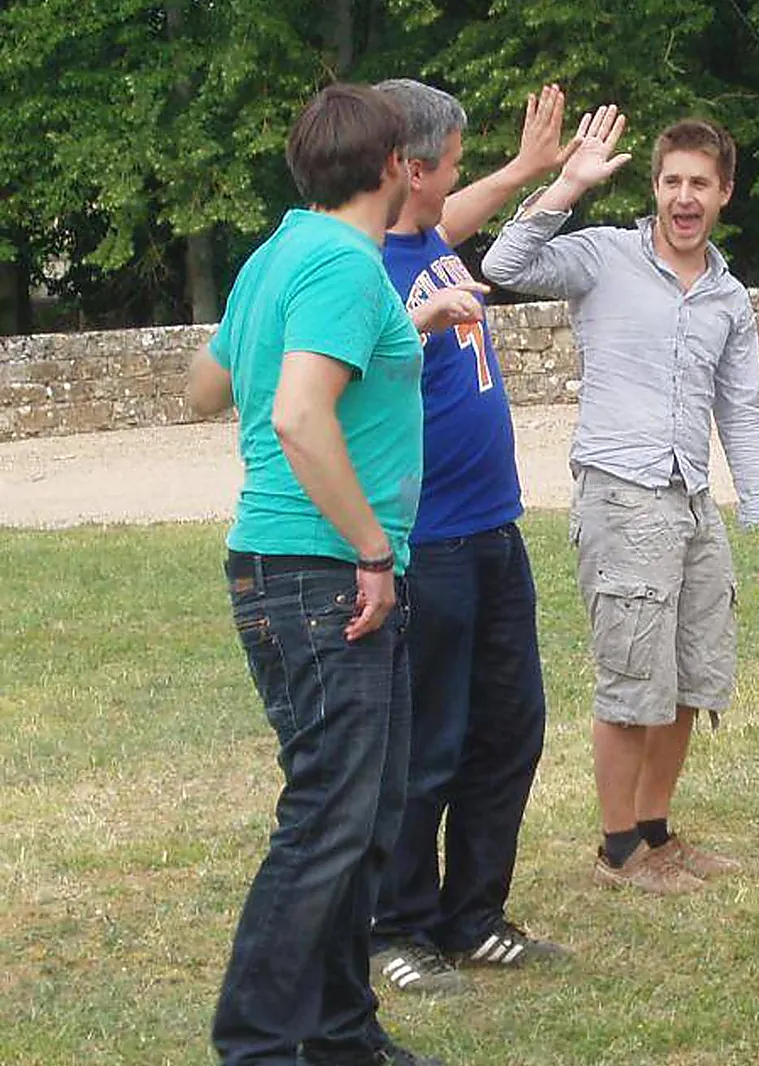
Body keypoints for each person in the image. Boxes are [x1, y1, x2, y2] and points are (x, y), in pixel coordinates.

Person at [185, 83, 464, 1066]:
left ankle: (343, 1034)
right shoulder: (344, 263)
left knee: (363, 812)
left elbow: (205, 385)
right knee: (327, 819)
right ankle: (255, 1044)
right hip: (322, 571)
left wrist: (396, 335)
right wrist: (373, 551)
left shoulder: (278, 255)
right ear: (395, 166)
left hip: (285, 565)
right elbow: (299, 416)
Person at [482, 109, 759, 894]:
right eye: (671, 181)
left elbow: (741, 411)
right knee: (630, 679)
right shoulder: (603, 258)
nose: (684, 198)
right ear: (654, 187)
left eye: (700, 184)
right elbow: (506, 261)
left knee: (692, 675)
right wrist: (569, 183)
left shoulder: (728, 296)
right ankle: (618, 848)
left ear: (725, 192)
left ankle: (655, 832)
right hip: (620, 496)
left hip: (691, 500)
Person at [365, 79, 577, 997]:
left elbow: (451, 216)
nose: (459, 177)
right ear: (409, 170)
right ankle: (395, 929)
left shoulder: (422, 239)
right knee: (431, 746)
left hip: (494, 527)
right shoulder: (362, 260)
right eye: (449, 161)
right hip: (430, 540)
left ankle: (474, 916)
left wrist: (530, 171)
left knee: (509, 729)